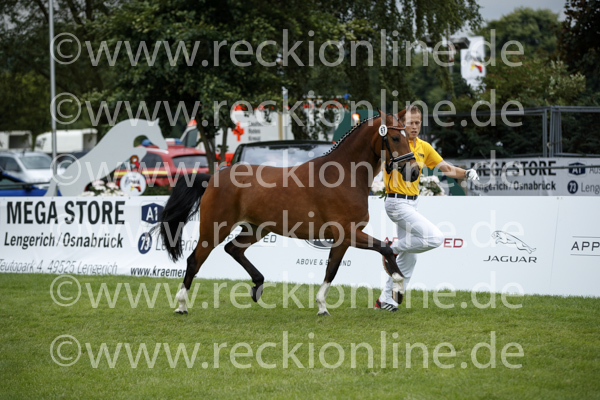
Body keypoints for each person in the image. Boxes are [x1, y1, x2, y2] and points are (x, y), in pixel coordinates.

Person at [374, 105, 479, 312]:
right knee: (435, 238)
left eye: (418, 123)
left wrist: (466, 173)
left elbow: (446, 168)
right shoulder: (393, 142)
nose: (414, 126)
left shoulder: (424, 147)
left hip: (413, 203)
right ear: (402, 124)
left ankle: (385, 301)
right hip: (396, 203)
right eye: (410, 123)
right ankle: (391, 249)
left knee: (410, 258)